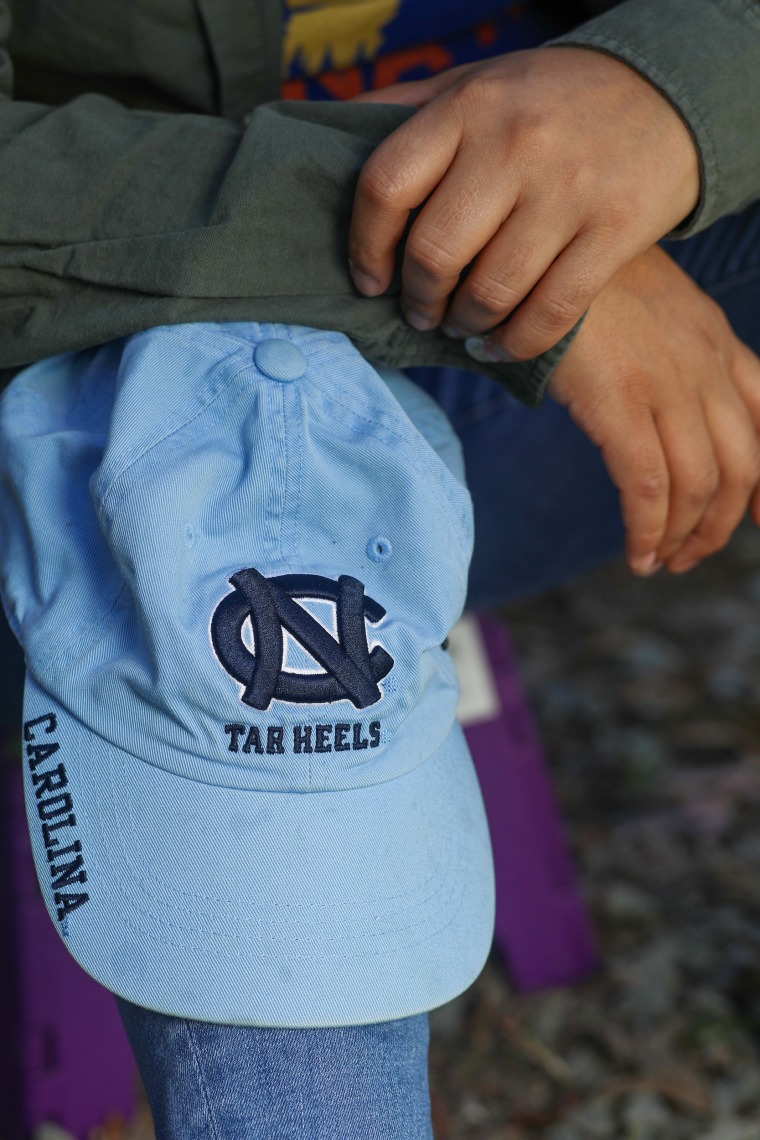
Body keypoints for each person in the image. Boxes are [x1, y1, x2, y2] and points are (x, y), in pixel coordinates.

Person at [0, 0, 759, 1135]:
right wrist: (506, 243)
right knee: (217, 499)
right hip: (87, 338)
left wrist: (675, 91)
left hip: (567, 322)